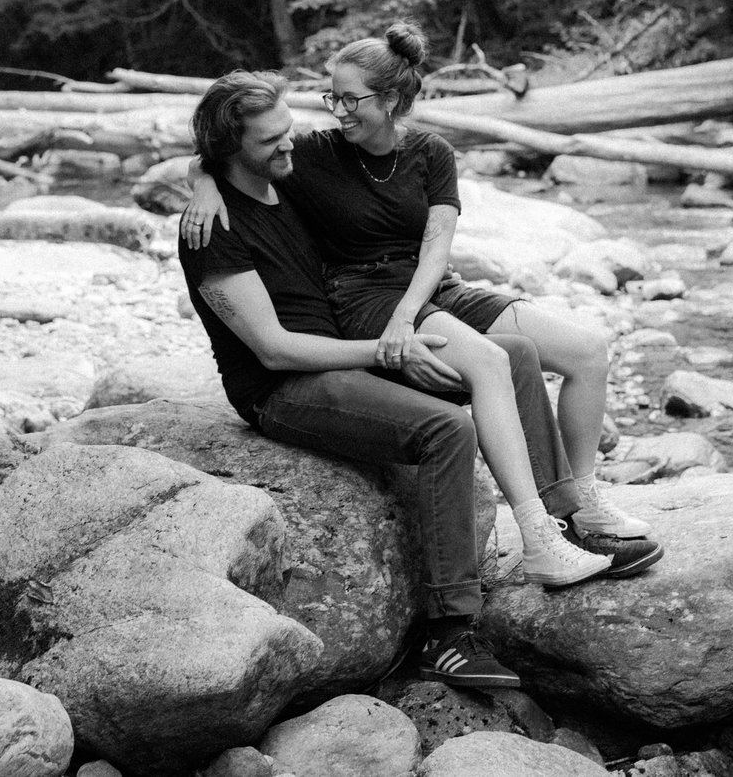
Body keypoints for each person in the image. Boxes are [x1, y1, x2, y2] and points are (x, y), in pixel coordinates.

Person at [178, 71, 659, 692]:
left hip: (349, 357)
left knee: (509, 355)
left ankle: (565, 526)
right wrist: (387, 352)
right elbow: (273, 351)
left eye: (289, 131)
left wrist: (201, 174)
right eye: (271, 140)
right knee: (446, 428)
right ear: (229, 150)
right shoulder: (213, 229)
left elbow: (214, 157)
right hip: (285, 389)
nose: (289, 145)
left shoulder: (286, 183)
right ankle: (449, 633)